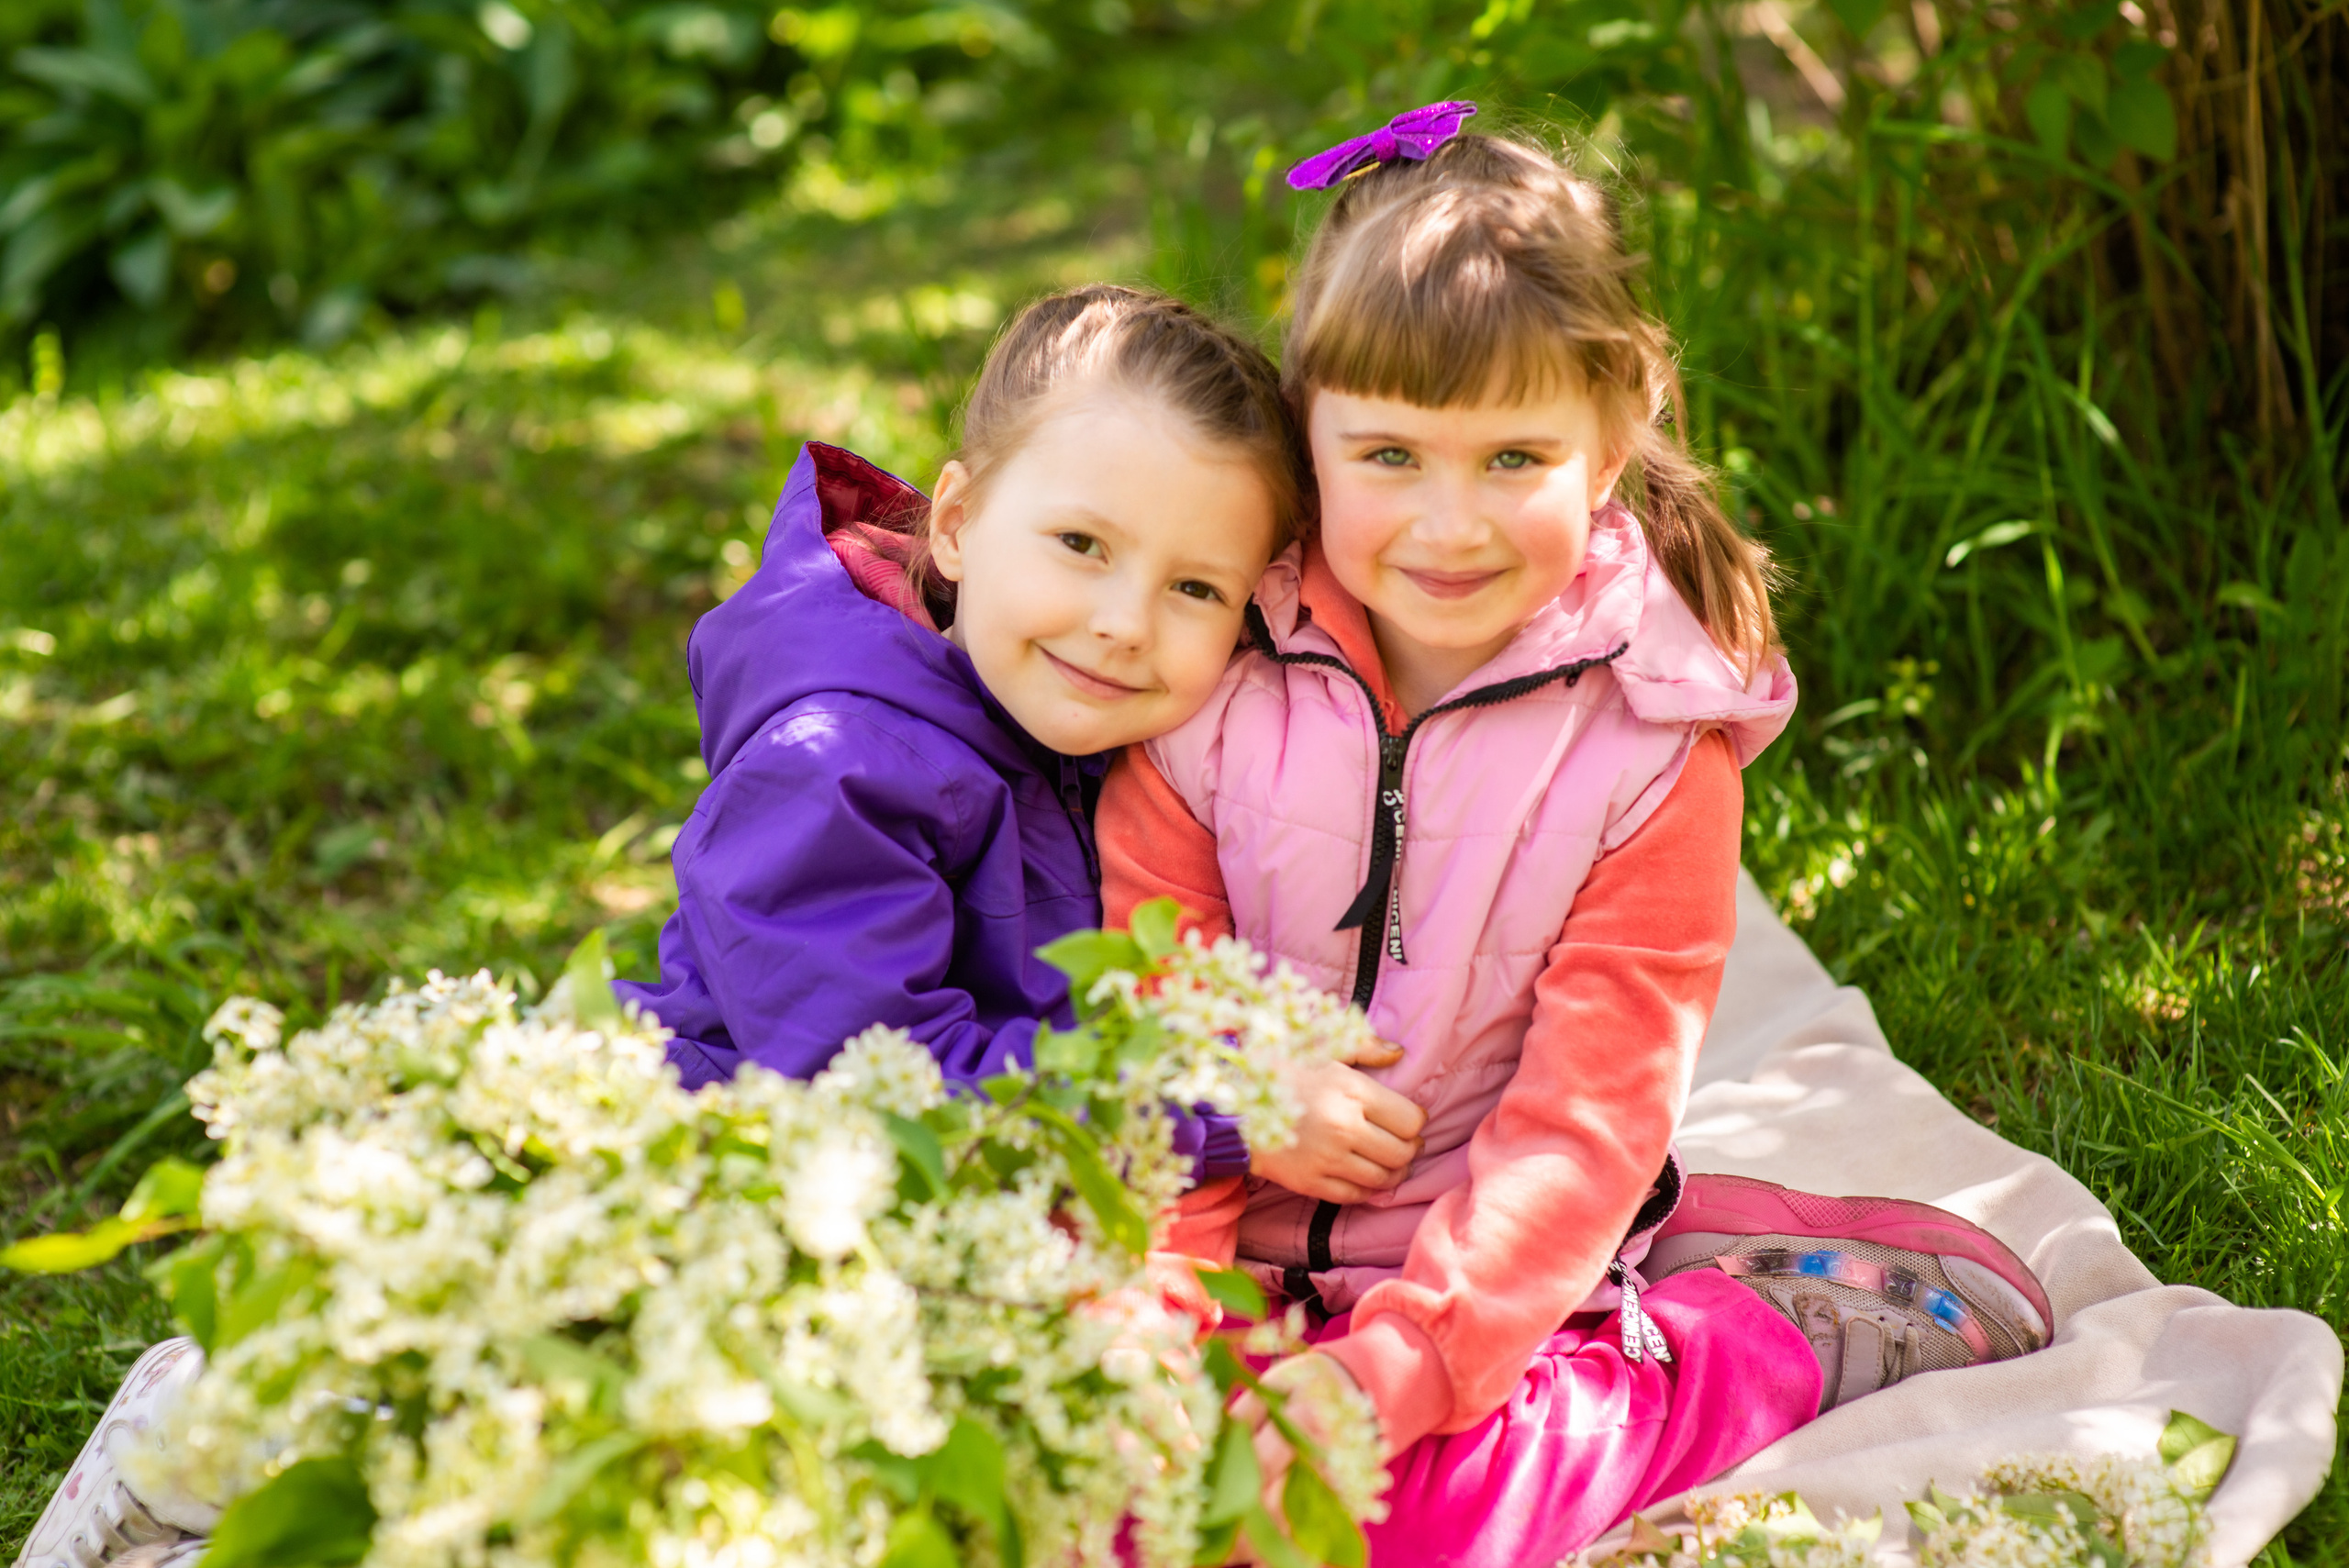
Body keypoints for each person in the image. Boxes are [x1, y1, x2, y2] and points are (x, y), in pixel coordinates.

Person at [16, 283, 1395, 1568]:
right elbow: (876, 1081)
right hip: (697, 1186)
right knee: (464, 1437)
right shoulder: (834, 762)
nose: (1121, 622)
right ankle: (195, 1434)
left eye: (1194, 589)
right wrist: (1210, 1107)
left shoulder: (1068, 720)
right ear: (962, 523)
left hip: (854, 1212)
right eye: (1082, 545)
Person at [1105, 114, 2054, 1566]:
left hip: (1471, 1276)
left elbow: (1584, 1115)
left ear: (1616, 435)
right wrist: (1163, 1316)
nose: (1448, 520)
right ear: (1307, 432)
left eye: (1514, 456)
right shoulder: (1218, 655)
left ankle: (1752, 1335)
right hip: (1217, 1219)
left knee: (1383, 1528)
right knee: (1098, 1497)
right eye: (1390, 453)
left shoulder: (1651, 739)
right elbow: (1141, 975)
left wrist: (1397, 1369)